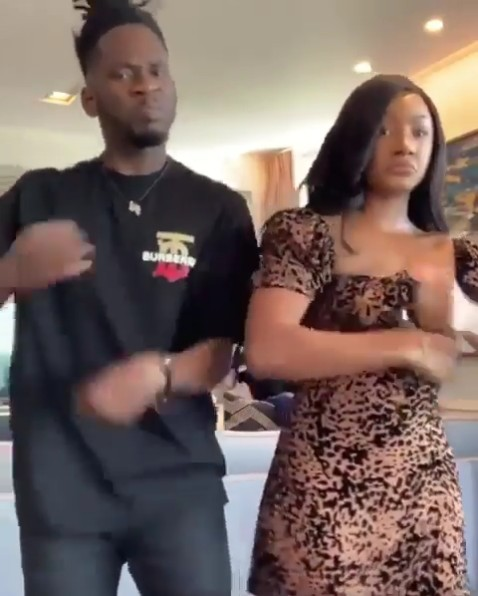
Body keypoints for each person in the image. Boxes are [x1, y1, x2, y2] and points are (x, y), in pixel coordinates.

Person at [0, 1, 257, 595]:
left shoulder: (218, 208)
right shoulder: (39, 196)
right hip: (62, 492)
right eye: (123, 73)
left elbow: (224, 347)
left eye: (157, 70)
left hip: (179, 485)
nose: (146, 85)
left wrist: (159, 374)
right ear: (89, 97)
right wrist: (11, 270)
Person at [245, 74, 477, 594]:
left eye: (420, 131)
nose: (405, 145)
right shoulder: (307, 233)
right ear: (355, 138)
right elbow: (268, 349)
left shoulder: (455, 253)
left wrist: (457, 334)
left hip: (423, 491)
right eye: (384, 130)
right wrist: (409, 344)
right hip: (324, 486)